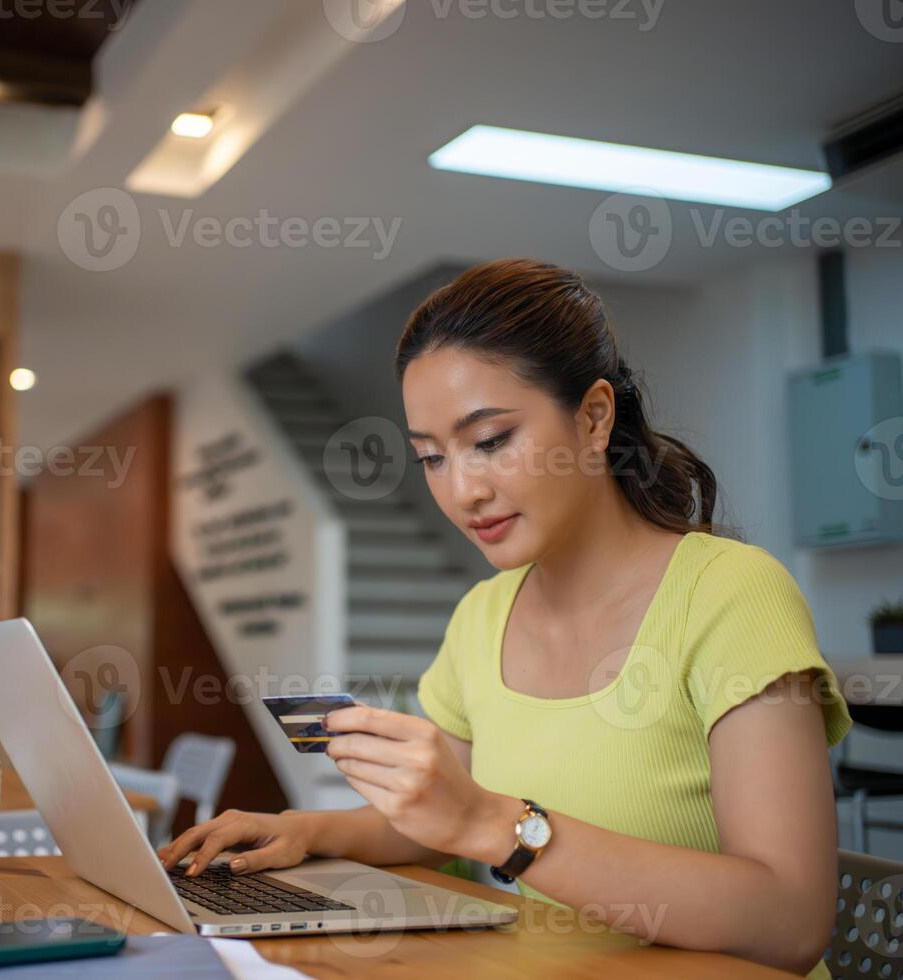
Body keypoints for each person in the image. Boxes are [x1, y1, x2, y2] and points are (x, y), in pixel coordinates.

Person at [158, 259, 851, 978]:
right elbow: (433, 824)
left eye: (490, 441)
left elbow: (790, 922)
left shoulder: (732, 595)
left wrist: (496, 825)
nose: (463, 491)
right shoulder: (482, 616)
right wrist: (303, 830)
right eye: (431, 458)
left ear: (593, 417)